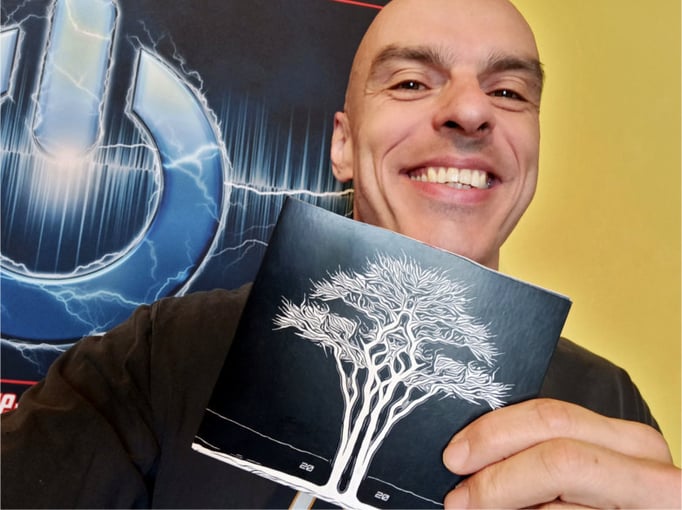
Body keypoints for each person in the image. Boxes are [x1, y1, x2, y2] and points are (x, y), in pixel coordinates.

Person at [2, 0, 679, 508]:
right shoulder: (156, 361)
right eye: (411, 82)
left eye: (508, 92)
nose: (471, 112)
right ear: (344, 145)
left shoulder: (606, 405)